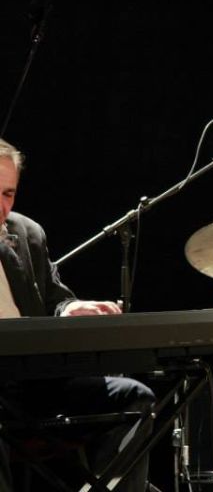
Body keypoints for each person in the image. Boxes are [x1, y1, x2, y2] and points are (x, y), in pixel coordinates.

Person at [0, 138, 155, 491]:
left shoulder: (27, 233)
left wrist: (71, 309)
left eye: (8, 194)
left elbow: (55, 300)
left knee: (135, 398)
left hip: (36, 381)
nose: (2, 206)